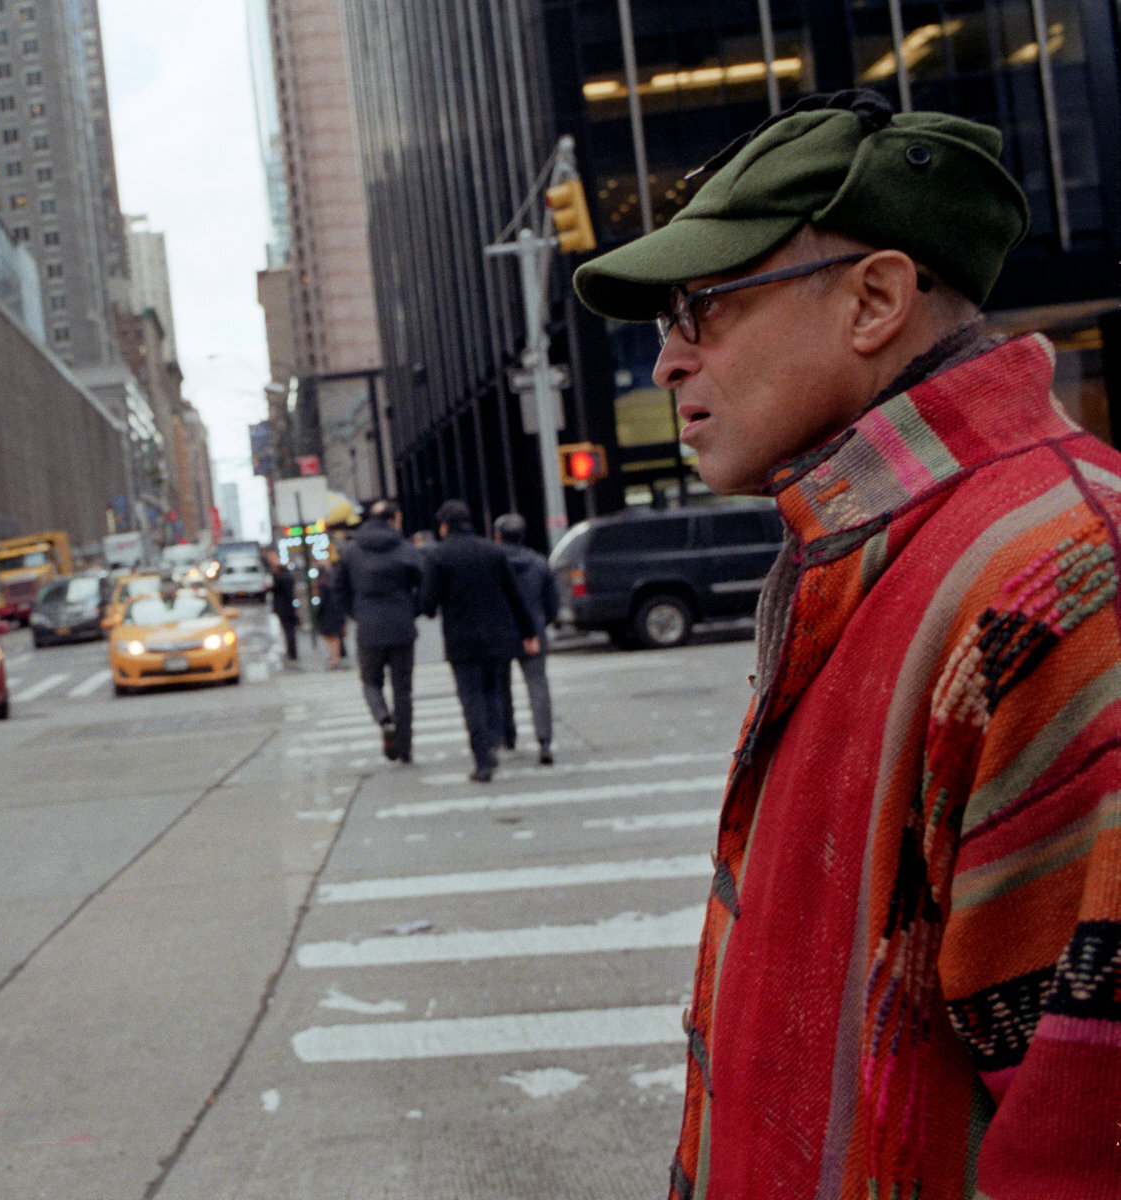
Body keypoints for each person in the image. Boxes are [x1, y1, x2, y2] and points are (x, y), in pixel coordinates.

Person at [571, 89, 1121, 1197]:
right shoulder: (867, 547)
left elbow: (1079, 1133)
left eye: (700, 307)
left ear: (873, 299)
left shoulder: (1060, 578)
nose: (666, 362)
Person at [418, 500, 534, 782]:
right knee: (493, 692)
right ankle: (493, 741)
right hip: (496, 634)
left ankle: (482, 756)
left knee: (470, 697)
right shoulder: (492, 551)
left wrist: (428, 601)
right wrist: (527, 631)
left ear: (445, 526)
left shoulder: (438, 556)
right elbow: (513, 594)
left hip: (461, 638)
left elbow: (429, 604)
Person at [334, 499, 424, 763]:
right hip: (401, 626)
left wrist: (356, 613)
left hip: (369, 627)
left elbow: (339, 589)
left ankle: (384, 720)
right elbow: (424, 582)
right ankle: (405, 748)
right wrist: (412, 609)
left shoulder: (351, 551)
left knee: (371, 682)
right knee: (403, 690)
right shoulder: (405, 549)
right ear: (392, 520)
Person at [493, 513, 558, 765]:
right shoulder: (539, 563)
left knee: (501, 687)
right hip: (533, 632)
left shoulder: (493, 564)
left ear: (498, 537)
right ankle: (544, 740)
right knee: (537, 685)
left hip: (500, 633)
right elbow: (552, 604)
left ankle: (507, 734)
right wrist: (540, 624)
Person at [312, 557, 347, 669]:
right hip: (332, 611)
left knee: (332, 636)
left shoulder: (325, 580)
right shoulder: (329, 577)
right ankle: (335, 656)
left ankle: (335, 657)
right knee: (331, 635)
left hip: (329, 611)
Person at [266, 553, 300, 663]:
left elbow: (276, 587)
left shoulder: (281, 577)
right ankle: (291, 652)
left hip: (284, 607)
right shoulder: (285, 575)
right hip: (286, 606)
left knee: (288, 630)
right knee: (287, 631)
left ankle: (292, 653)